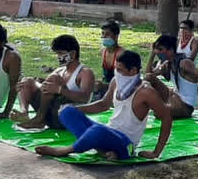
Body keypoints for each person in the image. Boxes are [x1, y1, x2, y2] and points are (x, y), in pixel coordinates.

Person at [35, 51, 172, 160]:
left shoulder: (146, 92)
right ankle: (104, 151)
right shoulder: (116, 81)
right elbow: (103, 105)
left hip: (126, 144)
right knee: (67, 112)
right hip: (108, 133)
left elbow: (166, 117)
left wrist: (156, 152)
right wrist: (74, 109)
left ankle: (64, 151)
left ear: (133, 71)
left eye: (120, 70)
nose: (117, 73)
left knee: (97, 131)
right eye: (116, 69)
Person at [13, 35, 95, 129]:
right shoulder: (59, 71)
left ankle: (39, 119)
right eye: (57, 54)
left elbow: (84, 98)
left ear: (72, 54)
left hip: (67, 117)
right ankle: (24, 112)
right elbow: (45, 89)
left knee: (53, 79)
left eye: (60, 53)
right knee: (27, 81)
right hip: (51, 114)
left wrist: (60, 90)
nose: (58, 57)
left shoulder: (85, 72)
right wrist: (25, 87)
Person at [145, 35, 198, 119]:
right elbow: (148, 74)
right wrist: (152, 55)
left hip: (185, 106)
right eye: (156, 49)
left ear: (171, 50)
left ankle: (162, 106)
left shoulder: (184, 63)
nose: (158, 52)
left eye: (161, 49)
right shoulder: (167, 64)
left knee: (158, 113)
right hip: (174, 98)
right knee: (149, 77)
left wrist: (197, 90)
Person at [95, 19, 125, 98]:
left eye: (107, 34)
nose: (104, 37)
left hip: (119, 91)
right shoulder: (103, 51)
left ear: (116, 36)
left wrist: (104, 86)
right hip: (106, 88)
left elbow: (124, 82)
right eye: (103, 33)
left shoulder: (122, 54)